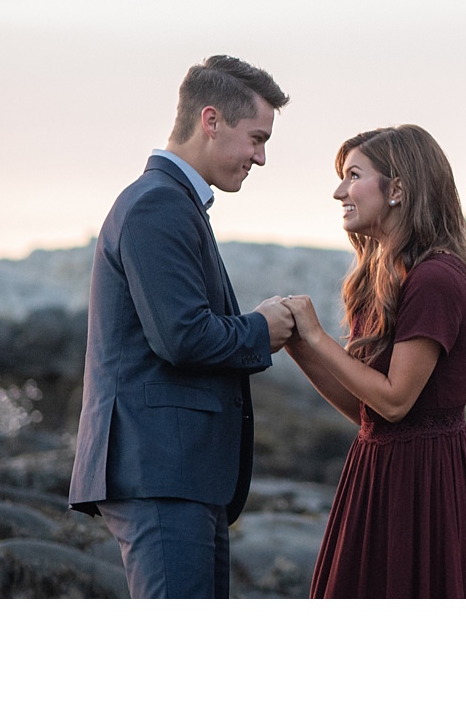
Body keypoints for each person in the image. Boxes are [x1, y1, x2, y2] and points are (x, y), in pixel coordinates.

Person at [69, 55, 296, 598]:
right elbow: (183, 337)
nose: (261, 158)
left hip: (179, 475)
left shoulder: (173, 203)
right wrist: (262, 329)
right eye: (256, 138)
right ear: (211, 120)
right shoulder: (157, 205)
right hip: (160, 471)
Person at [285, 124, 466, 597]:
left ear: (397, 189)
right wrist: (302, 345)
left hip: (426, 483)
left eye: (354, 175)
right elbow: (371, 411)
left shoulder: (435, 279)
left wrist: (319, 336)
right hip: (379, 468)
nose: (340, 191)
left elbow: (397, 401)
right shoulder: (382, 278)